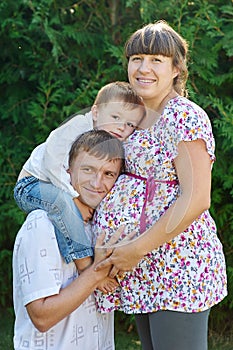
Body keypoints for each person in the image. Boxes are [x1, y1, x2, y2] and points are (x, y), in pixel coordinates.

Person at [92, 21, 228, 350]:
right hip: (142, 267)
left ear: (176, 69)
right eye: (137, 58)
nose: (144, 68)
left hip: (178, 265)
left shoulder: (183, 117)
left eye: (156, 60)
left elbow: (196, 199)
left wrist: (133, 250)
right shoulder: (134, 117)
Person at [13, 81, 145, 278]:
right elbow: (52, 162)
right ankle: (86, 268)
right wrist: (74, 198)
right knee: (63, 203)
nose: (121, 127)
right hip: (33, 184)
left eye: (129, 124)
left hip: (57, 186)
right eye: (116, 117)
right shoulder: (77, 127)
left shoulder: (106, 143)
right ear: (95, 112)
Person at [13, 129, 126, 350]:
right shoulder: (41, 225)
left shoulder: (101, 224)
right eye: (87, 170)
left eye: (109, 174)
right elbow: (42, 317)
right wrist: (96, 273)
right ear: (68, 172)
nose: (97, 182)